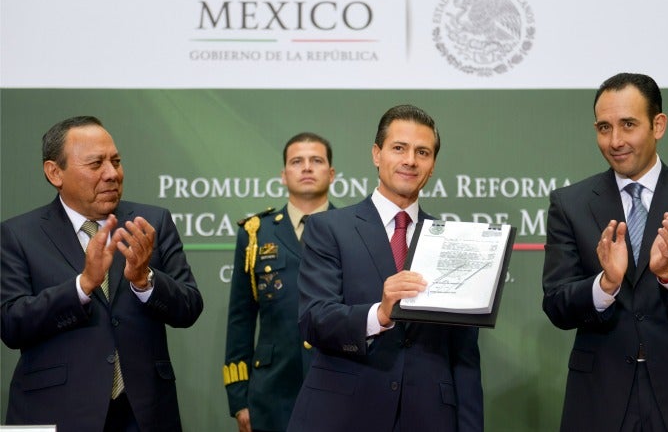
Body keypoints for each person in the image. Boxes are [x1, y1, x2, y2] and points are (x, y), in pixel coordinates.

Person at [542, 73, 668, 431]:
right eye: (604, 128)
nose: (615, 140)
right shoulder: (569, 204)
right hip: (599, 398)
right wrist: (605, 284)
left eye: (628, 125)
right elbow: (557, 303)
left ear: (658, 125)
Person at [286, 104, 483, 432]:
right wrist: (379, 314)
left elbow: (464, 355)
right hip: (342, 415)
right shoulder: (328, 228)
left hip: (430, 418)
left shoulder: (453, 241)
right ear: (377, 154)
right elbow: (314, 320)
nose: (410, 160)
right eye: (398, 148)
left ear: (432, 165)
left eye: (422, 152)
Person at [1, 116, 204, 432]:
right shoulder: (18, 235)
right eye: (96, 164)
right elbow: (11, 324)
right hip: (55, 411)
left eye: (116, 161)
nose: (112, 174)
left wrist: (144, 280)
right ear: (55, 172)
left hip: (145, 413)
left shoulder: (151, 222)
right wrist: (83, 285)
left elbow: (189, 306)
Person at [223, 132, 336, 432]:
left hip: (338, 385)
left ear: (332, 173)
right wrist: (239, 397)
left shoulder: (352, 229)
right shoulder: (256, 233)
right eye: (297, 161)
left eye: (316, 161)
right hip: (271, 393)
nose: (307, 168)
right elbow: (240, 319)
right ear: (284, 175)